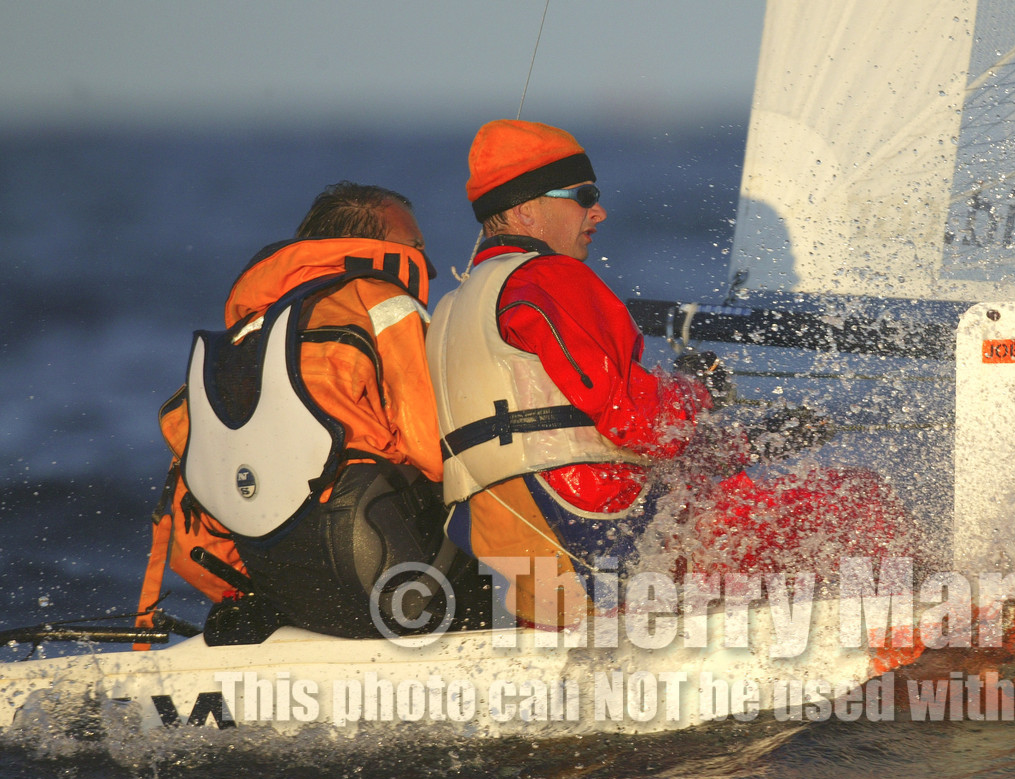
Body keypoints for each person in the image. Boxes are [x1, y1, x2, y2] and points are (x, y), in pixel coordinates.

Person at [428, 120, 830, 625]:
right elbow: (636, 423)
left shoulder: (451, 307)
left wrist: (745, 443)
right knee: (850, 505)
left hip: (513, 543)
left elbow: (570, 430)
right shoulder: (549, 278)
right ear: (525, 209)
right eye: (582, 195)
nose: (599, 210)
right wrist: (700, 389)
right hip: (594, 527)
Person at [135, 182, 481, 644]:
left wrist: (246, 597)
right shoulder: (384, 302)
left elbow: (192, 545)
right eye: (416, 247)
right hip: (401, 590)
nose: (431, 266)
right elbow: (437, 453)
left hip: (287, 600)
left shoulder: (237, 345)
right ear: (374, 248)